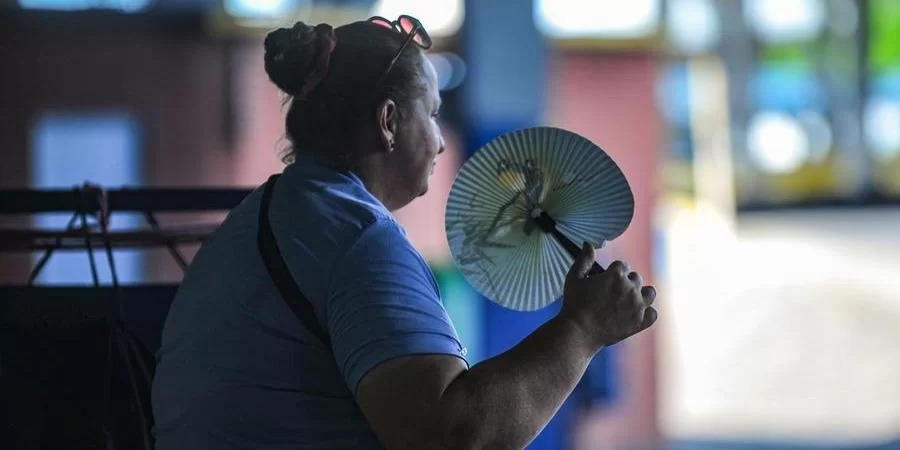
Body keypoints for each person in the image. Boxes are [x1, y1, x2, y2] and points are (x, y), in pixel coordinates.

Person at [150, 15, 657, 450]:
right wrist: (582, 331)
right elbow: (454, 435)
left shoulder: (265, 217)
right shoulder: (357, 241)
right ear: (388, 121)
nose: (439, 143)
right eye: (432, 114)